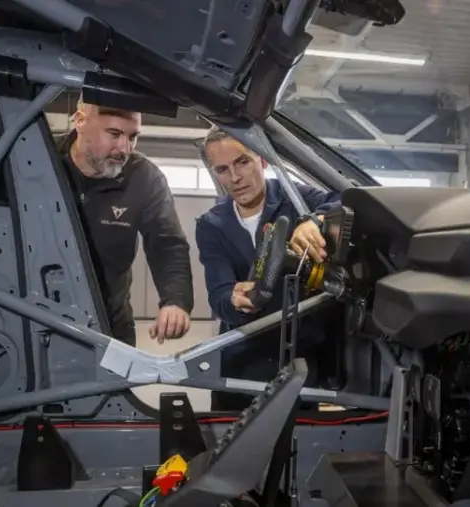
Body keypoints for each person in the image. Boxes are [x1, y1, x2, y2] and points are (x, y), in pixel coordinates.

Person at [194, 127, 341, 410]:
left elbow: (346, 195)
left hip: (301, 356)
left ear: (262, 160)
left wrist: (315, 220)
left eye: (242, 162)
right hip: (242, 357)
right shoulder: (212, 225)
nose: (235, 178)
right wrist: (234, 301)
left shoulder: (296, 199)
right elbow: (219, 295)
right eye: (222, 169)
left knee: (299, 433)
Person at [57, 97, 194, 345]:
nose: (124, 149)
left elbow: (167, 244)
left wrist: (176, 300)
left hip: (112, 324)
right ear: (80, 121)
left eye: (132, 137)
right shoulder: (39, 161)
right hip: (42, 316)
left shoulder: (144, 177)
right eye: (114, 133)